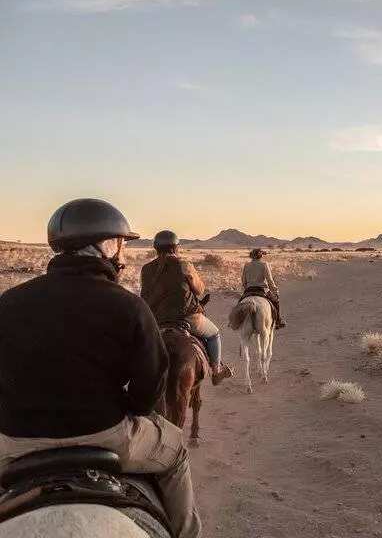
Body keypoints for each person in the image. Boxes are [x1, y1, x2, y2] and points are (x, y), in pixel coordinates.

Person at [0, 198, 202, 538]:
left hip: (15, 441)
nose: (123, 254)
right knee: (177, 451)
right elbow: (145, 394)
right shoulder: (129, 306)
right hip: (104, 432)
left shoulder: (7, 303)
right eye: (121, 244)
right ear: (106, 245)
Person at [140, 231, 232, 386]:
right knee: (214, 334)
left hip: (156, 320)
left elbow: (145, 294)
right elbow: (199, 290)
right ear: (176, 247)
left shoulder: (146, 269)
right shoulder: (184, 265)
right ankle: (216, 371)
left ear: (155, 248)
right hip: (187, 317)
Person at [241, 248, 286, 329]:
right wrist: (275, 290)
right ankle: (278, 321)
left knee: (240, 303)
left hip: (249, 290)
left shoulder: (246, 265)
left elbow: (243, 281)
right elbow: (270, 281)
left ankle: (236, 321)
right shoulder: (264, 265)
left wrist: (247, 287)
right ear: (260, 256)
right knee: (276, 302)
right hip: (262, 290)